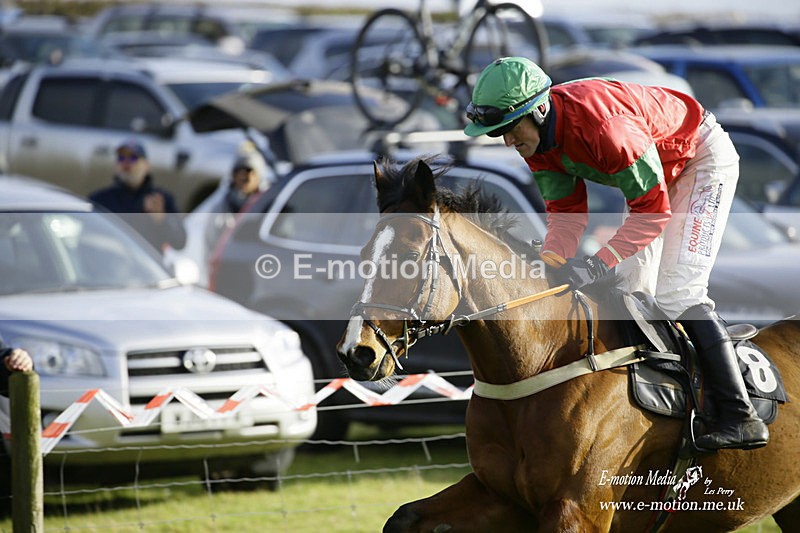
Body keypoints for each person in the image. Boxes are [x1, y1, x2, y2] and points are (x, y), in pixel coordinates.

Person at [463, 56, 768, 451]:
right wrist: (551, 264)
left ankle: (739, 414)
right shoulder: (536, 140)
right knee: (632, 294)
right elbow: (567, 214)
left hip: (699, 158)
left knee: (678, 292)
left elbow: (653, 213)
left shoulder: (606, 128)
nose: (507, 141)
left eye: (508, 129)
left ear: (538, 110)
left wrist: (596, 262)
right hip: (654, 176)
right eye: (496, 133)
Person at [89, 139, 186, 254]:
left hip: (147, 268)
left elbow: (180, 242)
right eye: (121, 158)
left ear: (146, 166)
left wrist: (162, 219)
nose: (126, 163)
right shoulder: (101, 199)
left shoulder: (161, 199)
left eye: (133, 158)